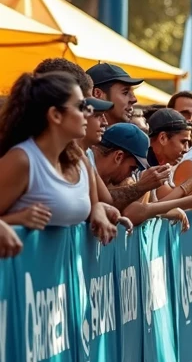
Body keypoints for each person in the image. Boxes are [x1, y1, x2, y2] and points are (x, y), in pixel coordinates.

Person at [0, 71, 116, 244]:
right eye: (80, 107)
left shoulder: (81, 161)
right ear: (55, 115)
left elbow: (92, 205)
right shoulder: (22, 159)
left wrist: (97, 209)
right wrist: (15, 220)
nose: (88, 113)